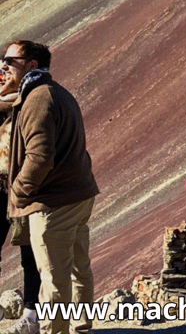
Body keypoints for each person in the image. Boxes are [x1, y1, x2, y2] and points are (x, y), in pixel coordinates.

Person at [3, 41, 99, 334]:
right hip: (78, 195)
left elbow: (40, 157)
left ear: (32, 65)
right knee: (78, 270)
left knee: (53, 278)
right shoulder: (56, 92)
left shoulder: (37, 99)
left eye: (10, 60)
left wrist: (18, 192)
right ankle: (81, 327)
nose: (3, 65)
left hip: (52, 203)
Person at [0, 69, 41, 334]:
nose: (1, 75)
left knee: (30, 253)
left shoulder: (30, 101)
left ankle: (31, 314)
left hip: (22, 188)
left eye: (6, 69)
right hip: (0, 186)